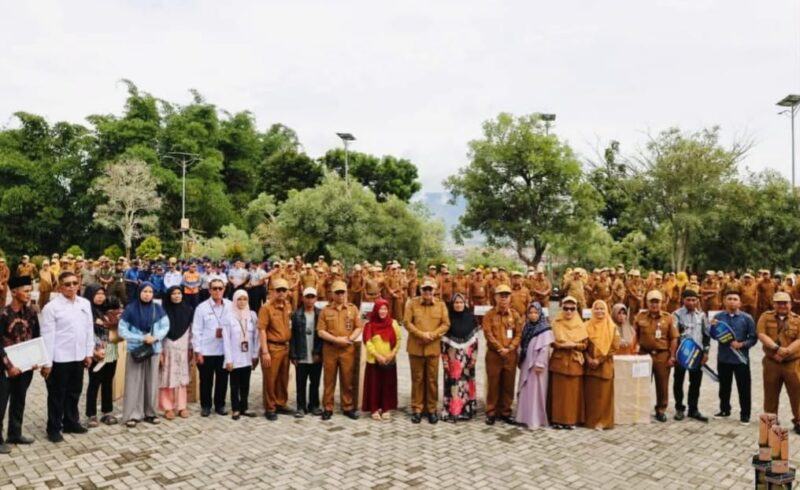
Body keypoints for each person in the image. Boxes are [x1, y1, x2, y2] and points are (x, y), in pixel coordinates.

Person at [40, 271, 94, 442]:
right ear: (60, 287)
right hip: (59, 358)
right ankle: (54, 428)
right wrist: (47, 362)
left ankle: (71, 421)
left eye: (74, 283)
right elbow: (47, 336)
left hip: (78, 356)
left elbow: (88, 330)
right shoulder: (52, 307)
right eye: (67, 284)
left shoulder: (84, 303)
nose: (72, 287)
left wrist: (88, 353)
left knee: (74, 392)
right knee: (57, 395)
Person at [119, 283, 169, 428]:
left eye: (150, 291)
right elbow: (122, 331)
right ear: (139, 292)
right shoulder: (130, 309)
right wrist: (141, 338)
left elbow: (166, 326)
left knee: (152, 382)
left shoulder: (158, 309)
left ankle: (151, 413)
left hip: (153, 349)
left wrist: (155, 337)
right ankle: (132, 415)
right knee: (133, 382)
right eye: (144, 291)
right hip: (136, 349)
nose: (147, 294)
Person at [0, 276, 40, 446]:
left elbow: (37, 337)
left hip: (25, 366)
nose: (29, 294)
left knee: (19, 399)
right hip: (5, 368)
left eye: (30, 290)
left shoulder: (31, 313)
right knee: (1, 402)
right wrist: (8, 366)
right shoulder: (3, 314)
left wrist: (38, 358)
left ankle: (15, 433)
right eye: (26, 291)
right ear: (14, 292)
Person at [404, 279, 450, 424]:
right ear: (421, 291)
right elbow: (406, 322)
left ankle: (431, 409)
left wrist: (433, 334)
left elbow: (446, 324)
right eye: (425, 289)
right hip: (416, 347)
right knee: (417, 379)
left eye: (430, 290)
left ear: (434, 291)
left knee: (432, 380)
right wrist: (421, 334)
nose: (428, 292)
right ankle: (417, 409)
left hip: (433, 347)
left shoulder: (441, 305)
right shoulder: (412, 303)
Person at [317, 281, 363, 420]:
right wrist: (337, 340)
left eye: (343, 292)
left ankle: (347, 407)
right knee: (329, 380)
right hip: (330, 350)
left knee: (347, 379)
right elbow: (320, 331)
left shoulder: (352, 309)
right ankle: (328, 407)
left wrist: (349, 339)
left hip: (347, 350)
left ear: (346, 293)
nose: (340, 295)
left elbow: (359, 327)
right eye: (337, 292)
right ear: (332, 294)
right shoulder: (325, 310)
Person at [756, 291, 800, 434]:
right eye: (779, 303)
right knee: (770, 392)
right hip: (771, 362)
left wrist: (786, 351)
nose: (782, 305)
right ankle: (770, 419)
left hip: (792, 363)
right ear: (773, 304)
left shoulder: (798, 319)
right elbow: (761, 334)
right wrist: (776, 348)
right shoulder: (765, 317)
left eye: (785, 302)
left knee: (797, 393)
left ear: (790, 304)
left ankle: (798, 421)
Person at [711, 290, 757, 425]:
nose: (732, 301)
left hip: (741, 359)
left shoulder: (747, 318)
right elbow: (714, 336)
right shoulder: (718, 317)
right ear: (724, 301)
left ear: (740, 302)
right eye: (729, 298)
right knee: (724, 387)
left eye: (735, 299)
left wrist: (742, 344)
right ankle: (724, 410)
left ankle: (745, 414)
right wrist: (713, 328)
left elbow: (753, 338)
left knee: (744, 387)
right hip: (724, 358)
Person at [634, 290, 679, 422]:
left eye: (657, 302)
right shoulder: (640, 317)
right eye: (651, 302)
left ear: (662, 303)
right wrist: (634, 351)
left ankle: (660, 410)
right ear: (647, 302)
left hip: (662, 356)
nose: (654, 305)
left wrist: (672, 356)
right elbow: (635, 335)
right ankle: (640, 410)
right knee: (642, 383)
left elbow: (674, 338)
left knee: (662, 385)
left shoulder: (668, 318)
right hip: (643, 354)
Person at [191, 278, 234, 417]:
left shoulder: (230, 305)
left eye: (220, 288)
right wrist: (198, 351)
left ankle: (220, 405)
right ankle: (206, 405)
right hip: (207, 350)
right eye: (214, 288)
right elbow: (196, 331)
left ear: (224, 289)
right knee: (206, 380)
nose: (217, 291)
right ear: (209, 290)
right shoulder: (201, 308)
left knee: (222, 380)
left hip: (224, 350)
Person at [482, 284, 523, 425]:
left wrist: (510, 348)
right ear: (495, 297)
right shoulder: (489, 315)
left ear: (510, 298)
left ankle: (506, 412)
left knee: (508, 384)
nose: (504, 298)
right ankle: (491, 412)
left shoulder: (515, 315)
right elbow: (488, 333)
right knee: (493, 384)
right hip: (494, 355)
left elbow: (519, 333)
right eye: (501, 295)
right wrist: (500, 348)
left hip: (510, 355)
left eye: (506, 295)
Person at [548, 296, 588, 430]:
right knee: (558, 392)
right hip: (559, 361)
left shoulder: (580, 324)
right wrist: (563, 346)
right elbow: (551, 342)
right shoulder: (556, 323)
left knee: (573, 393)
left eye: (572, 309)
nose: (569, 312)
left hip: (574, 362)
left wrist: (574, 345)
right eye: (566, 308)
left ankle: (571, 420)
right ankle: (557, 419)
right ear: (562, 308)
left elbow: (585, 345)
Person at [671, 290, 710, 422]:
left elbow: (706, 335)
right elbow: (673, 336)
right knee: (678, 381)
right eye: (689, 300)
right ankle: (679, 408)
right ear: (683, 300)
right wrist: (674, 354)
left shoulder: (702, 315)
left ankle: (693, 409)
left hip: (697, 355)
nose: (692, 302)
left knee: (695, 383)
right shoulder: (676, 315)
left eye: (694, 300)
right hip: (681, 354)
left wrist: (706, 352)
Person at [84, 286, 119, 427]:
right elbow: (85, 333)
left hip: (110, 349)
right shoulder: (86, 313)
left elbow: (116, 330)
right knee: (94, 382)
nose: (100, 297)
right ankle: (91, 414)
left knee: (108, 380)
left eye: (102, 294)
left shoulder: (108, 310)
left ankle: (107, 412)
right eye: (97, 294)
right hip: (95, 352)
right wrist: (94, 351)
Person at [257, 278, 292, 420]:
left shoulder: (288, 306)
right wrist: (265, 351)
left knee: (283, 378)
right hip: (272, 347)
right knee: (270, 379)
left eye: (284, 290)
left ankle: (281, 404)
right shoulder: (266, 308)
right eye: (278, 290)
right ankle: (270, 407)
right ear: (272, 292)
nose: (281, 293)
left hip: (285, 347)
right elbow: (262, 330)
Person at [441, 293, 479, 422]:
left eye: (461, 302)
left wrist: (474, 358)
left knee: (466, 384)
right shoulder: (447, 319)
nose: (458, 305)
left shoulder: (471, 318)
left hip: (467, 358)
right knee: (454, 385)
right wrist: (445, 360)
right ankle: (453, 411)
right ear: (452, 304)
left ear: (465, 304)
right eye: (456, 303)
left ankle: (466, 411)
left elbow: (475, 341)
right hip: (453, 359)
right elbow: (443, 342)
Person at [515, 302, 554, 429]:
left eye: (535, 313)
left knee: (536, 391)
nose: (533, 315)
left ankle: (535, 419)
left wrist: (539, 363)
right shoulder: (527, 327)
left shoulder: (545, 328)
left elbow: (544, 348)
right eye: (530, 313)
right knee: (526, 389)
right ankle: (523, 417)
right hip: (527, 363)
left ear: (540, 314)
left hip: (537, 366)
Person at [362, 298, 401, 420]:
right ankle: (374, 409)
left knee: (387, 385)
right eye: (380, 309)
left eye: (385, 309)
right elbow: (368, 342)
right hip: (374, 361)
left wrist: (392, 354)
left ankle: (385, 408)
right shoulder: (369, 325)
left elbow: (399, 340)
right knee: (374, 385)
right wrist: (377, 356)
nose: (382, 312)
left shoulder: (393, 323)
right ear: (375, 310)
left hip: (389, 360)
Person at [584, 300, 620, 430]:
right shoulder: (586, 325)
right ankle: (590, 420)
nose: (599, 311)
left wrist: (599, 360)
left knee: (604, 396)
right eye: (597, 309)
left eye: (602, 309)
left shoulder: (612, 327)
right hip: (589, 366)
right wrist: (588, 358)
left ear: (607, 311)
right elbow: (583, 345)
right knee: (591, 395)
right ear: (593, 310)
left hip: (605, 365)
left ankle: (603, 422)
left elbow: (614, 347)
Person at [159, 286, 193, 420]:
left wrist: (191, 348)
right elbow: (158, 331)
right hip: (167, 345)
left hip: (183, 347)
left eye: (179, 293)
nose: (177, 296)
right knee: (166, 376)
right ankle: (167, 407)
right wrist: (159, 351)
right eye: (174, 294)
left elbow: (191, 331)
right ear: (169, 296)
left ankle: (181, 406)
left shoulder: (188, 310)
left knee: (181, 376)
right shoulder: (162, 311)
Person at [224, 290, 259, 420]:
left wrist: (255, 355)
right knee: (234, 384)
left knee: (246, 383)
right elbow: (226, 340)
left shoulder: (252, 315)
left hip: (248, 356)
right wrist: (228, 359)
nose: (242, 302)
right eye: (239, 299)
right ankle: (236, 408)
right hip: (234, 356)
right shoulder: (229, 316)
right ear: (234, 300)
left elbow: (257, 337)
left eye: (244, 299)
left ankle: (244, 407)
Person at [290, 287, 323, 417]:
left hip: (315, 355)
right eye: (307, 297)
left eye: (312, 297)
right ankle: (301, 407)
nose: (310, 300)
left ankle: (314, 405)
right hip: (301, 354)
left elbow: (322, 336)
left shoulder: (320, 314)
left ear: (316, 299)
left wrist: (318, 352)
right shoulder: (296, 315)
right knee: (301, 383)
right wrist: (293, 355)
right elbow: (292, 337)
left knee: (315, 382)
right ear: (303, 298)